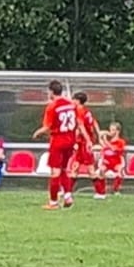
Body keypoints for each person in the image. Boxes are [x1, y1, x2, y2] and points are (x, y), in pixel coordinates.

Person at [34, 80, 83, 210]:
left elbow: (47, 127)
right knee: (64, 169)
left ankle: (53, 202)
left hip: (58, 141)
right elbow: (77, 122)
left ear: (51, 92)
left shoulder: (52, 106)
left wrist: (37, 133)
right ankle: (68, 197)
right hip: (70, 140)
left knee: (55, 171)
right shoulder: (71, 104)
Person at [72, 91, 104, 197]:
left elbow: (81, 126)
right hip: (81, 142)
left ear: (77, 101)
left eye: (74, 99)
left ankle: (100, 192)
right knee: (75, 167)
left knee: (90, 169)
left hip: (84, 143)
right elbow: (94, 122)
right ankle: (67, 191)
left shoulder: (79, 110)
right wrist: (99, 133)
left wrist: (88, 140)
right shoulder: (87, 111)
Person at [98, 122, 128, 198]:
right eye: (110, 130)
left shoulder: (121, 142)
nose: (111, 132)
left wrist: (106, 141)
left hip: (116, 163)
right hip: (106, 162)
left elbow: (114, 149)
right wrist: (101, 136)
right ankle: (102, 190)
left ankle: (115, 190)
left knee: (119, 172)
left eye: (113, 130)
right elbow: (102, 145)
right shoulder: (109, 141)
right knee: (101, 170)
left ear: (117, 131)